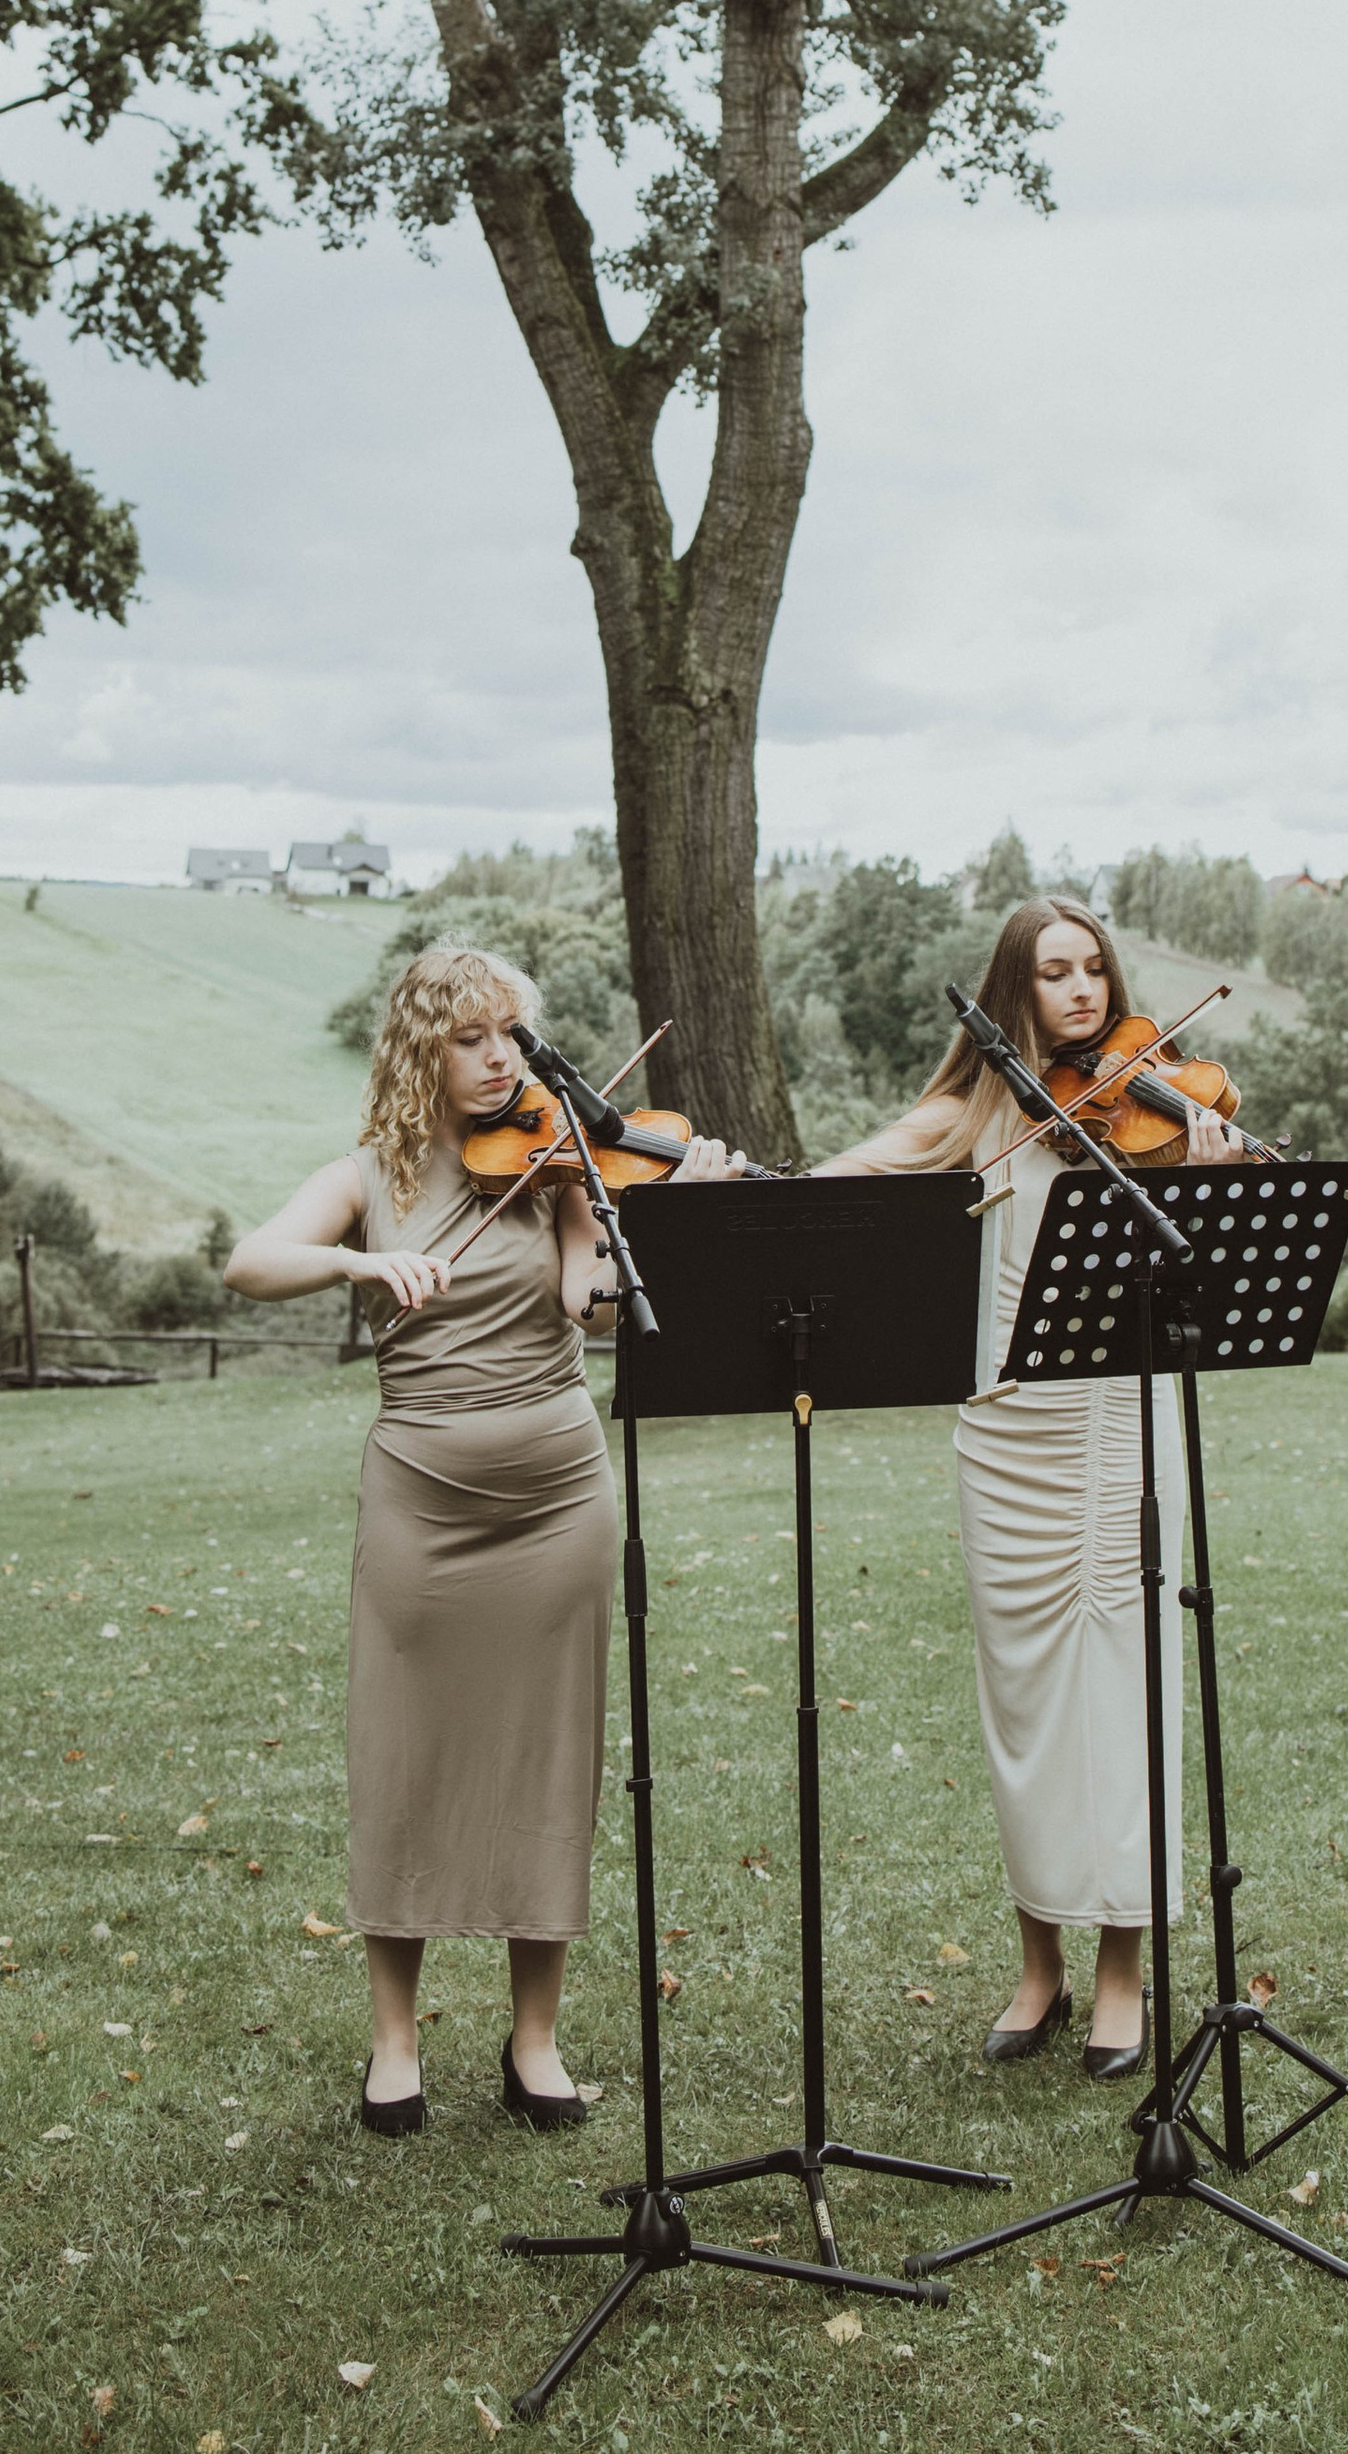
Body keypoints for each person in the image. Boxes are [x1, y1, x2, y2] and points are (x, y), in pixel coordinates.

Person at [222, 943, 740, 2135]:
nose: (500, 1055)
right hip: (422, 1496)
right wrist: (360, 1258)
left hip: (557, 1494)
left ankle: (535, 2042)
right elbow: (251, 1261)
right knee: (401, 1757)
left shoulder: (563, 1165)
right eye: (470, 1036)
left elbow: (587, 1308)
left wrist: (649, 1221)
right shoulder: (368, 1174)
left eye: (510, 1032)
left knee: (543, 1759)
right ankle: (394, 2042)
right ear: (421, 1049)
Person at [813, 897, 1242, 2077]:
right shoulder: (973, 1111)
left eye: (1093, 969)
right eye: (1053, 973)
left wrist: (1207, 1178)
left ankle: (1120, 1974)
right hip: (1006, 1439)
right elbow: (837, 1176)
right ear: (1013, 991)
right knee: (1027, 1715)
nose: (1081, 992)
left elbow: (1213, 1249)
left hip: (1116, 1419)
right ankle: (1038, 1963)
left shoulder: (1150, 1103)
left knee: (1124, 1687)